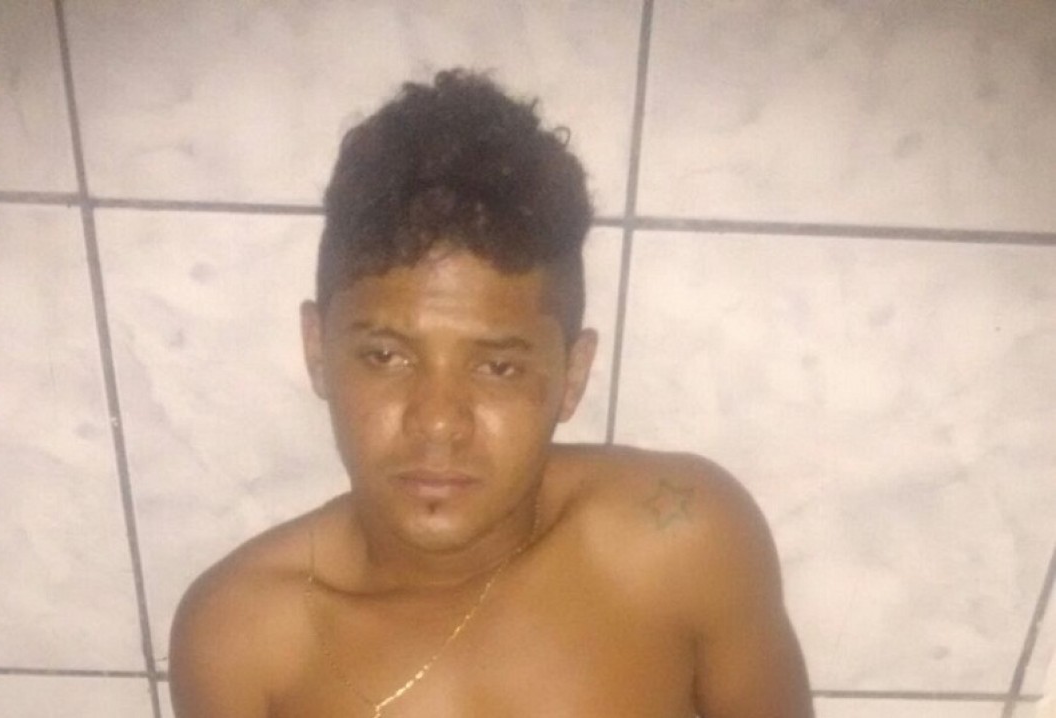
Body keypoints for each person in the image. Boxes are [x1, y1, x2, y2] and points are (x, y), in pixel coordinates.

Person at [169, 69, 813, 718]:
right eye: (386, 356)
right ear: (318, 350)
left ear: (572, 375)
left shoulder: (683, 542)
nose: (437, 423)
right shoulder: (241, 640)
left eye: (499, 367)